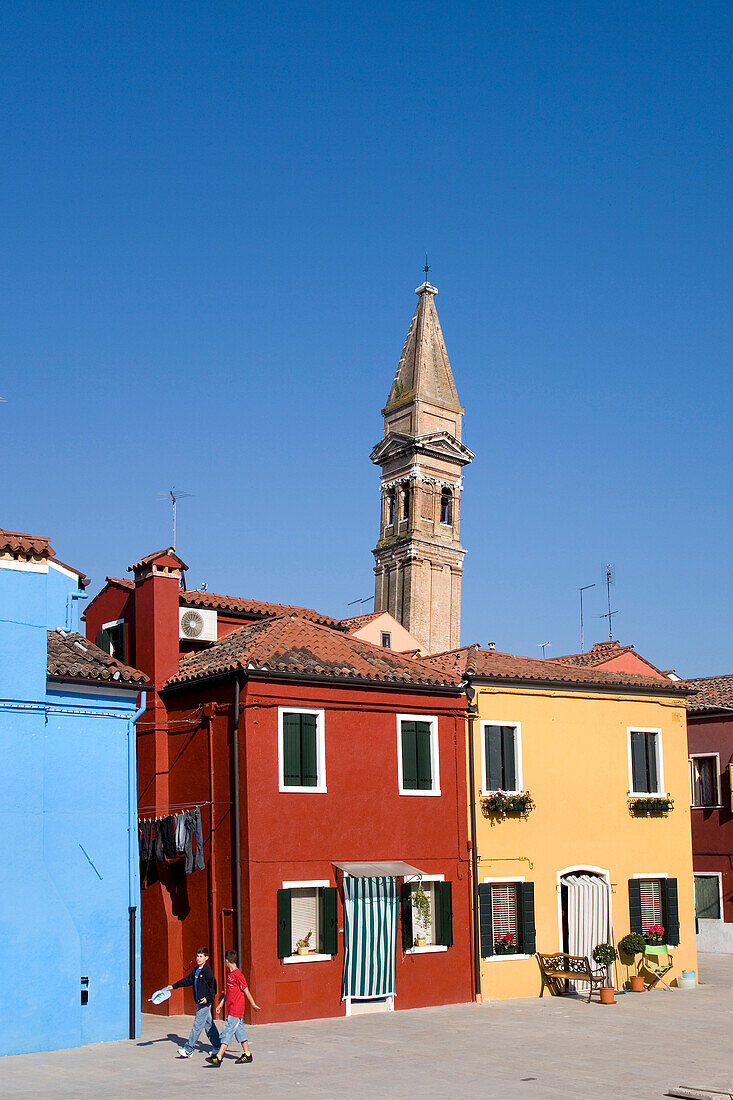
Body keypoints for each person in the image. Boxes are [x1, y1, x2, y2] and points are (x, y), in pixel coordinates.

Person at [206, 949, 260, 1067]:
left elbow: (246, 990)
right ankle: (247, 1054)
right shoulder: (230, 975)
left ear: (226, 961)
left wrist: (253, 1004)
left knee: (227, 1031)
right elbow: (229, 993)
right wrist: (221, 1004)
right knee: (239, 1031)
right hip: (231, 1008)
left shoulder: (238, 975)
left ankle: (218, 1057)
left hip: (236, 1009)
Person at [166, 947, 220, 1058]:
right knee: (209, 1025)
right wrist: (174, 986)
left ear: (206, 958)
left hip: (204, 1003)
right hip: (199, 1002)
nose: (198, 958)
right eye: (197, 956)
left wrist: (208, 998)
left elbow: (213, 988)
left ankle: (188, 1049)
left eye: (201, 956)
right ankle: (218, 1047)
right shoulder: (196, 970)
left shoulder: (208, 972)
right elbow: (187, 980)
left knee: (197, 1025)